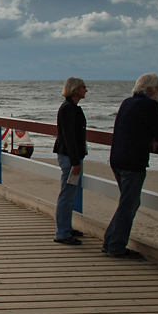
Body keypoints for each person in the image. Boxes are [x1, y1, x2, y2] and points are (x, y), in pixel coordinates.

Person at [102, 73, 158, 260]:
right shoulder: (150, 106)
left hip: (117, 159)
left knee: (127, 203)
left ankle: (110, 241)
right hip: (133, 162)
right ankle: (116, 246)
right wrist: (154, 138)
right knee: (129, 204)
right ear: (149, 90)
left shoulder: (127, 103)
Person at [52, 77, 88, 246]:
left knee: (70, 193)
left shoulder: (72, 108)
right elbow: (68, 136)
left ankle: (66, 227)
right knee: (67, 194)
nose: (86, 90)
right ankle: (62, 232)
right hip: (69, 157)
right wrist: (75, 161)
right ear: (75, 89)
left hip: (71, 156)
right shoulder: (68, 108)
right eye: (83, 87)